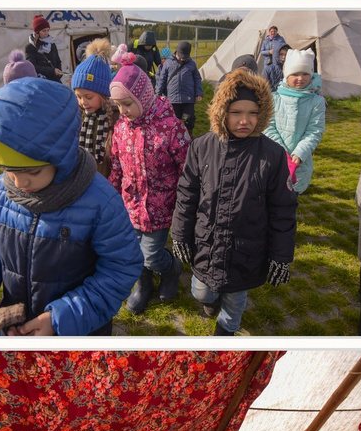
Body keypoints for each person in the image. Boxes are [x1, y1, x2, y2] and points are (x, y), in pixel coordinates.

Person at [0, 77, 138, 337]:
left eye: (32, 171)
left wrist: (60, 319)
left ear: (61, 156)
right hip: (17, 327)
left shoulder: (100, 200)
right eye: (9, 170)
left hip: (77, 330)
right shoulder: (2, 189)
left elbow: (121, 268)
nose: (19, 183)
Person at [172, 68, 298, 336]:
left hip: (246, 249)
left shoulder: (272, 155)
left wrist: (281, 256)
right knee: (202, 291)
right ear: (222, 112)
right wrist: (180, 235)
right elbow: (187, 193)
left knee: (235, 299)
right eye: (236, 113)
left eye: (253, 113)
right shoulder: (201, 147)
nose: (245, 121)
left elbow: (283, 208)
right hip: (207, 242)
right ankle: (210, 301)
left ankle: (226, 332)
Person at [107, 56, 189, 315]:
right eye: (118, 105)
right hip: (130, 204)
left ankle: (170, 268)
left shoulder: (170, 127)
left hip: (161, 207)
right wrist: (112, 194)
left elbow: (187, 167)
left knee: (151, 254)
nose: (123, 111)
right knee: (133, 251)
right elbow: (117, 165)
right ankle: (143, 284)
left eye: (127, 104)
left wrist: (185, 203)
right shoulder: (121, 128)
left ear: (144, 97)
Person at [268, 49, 329, 194]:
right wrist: (281, 151)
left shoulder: (317, 101)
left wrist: (299, 154)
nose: (300, 78)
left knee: (291, 198)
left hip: (300, 161)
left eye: (305, 74)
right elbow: (267, 127)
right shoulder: (273, 99)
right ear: (286, 75)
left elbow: (314, 131)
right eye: (295, 74)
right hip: (274, 157)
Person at [70, 50, 116, 179]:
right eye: (78, 96)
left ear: (103, 94)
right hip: (82, 177)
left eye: (88, 97)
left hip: (107, 179)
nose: (83, 102)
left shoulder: (115, 117)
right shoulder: (78, 115)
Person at [158, 42, 203, 132]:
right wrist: (159, 93)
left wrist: (199, 92)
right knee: (174, 119)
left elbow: (197, 78)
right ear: (176, 52)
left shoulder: (192, 64)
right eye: (181, 56)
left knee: (189, 118)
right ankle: (175, 136)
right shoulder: (168, 63)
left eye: (185, 56)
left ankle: (188, 134)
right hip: (173, 98)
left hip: (188, 97)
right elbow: (162, 79)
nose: (183, 59)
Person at [22, 15, 65, 83]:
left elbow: (58, 61)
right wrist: (52, 71)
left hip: (54, 81)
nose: (46, 33)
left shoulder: (52, 44)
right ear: (37, 32)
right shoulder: (30, 47)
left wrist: (58, 72)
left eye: (48, 30)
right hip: (40, 82)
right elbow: (32, 66)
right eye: (43, 31)